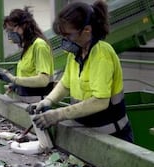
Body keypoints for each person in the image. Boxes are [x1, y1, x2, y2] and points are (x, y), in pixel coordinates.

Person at [31, 1, 134, 143]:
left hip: (112, 138)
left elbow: (100, 102)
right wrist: (48, 101)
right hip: (88, 134)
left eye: (69, 35)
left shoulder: (102, 54)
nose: (66, 40)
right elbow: (65, 84)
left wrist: (58, 114)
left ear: (87, 30)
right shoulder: (75, 54)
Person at [0, 7, 54, 103]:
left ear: (24, 25)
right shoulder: (27, 48)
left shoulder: (39, 45)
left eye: (11, 30)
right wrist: (17, 85)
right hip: (25, 103)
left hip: (37, 104)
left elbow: (43, 80)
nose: (10, 34)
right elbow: (28, 76)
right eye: (8, 31)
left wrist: (13, 79)